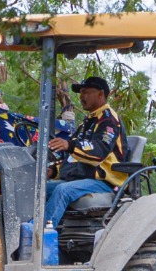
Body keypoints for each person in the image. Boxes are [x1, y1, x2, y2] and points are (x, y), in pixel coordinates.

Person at [43, 76, 128, 229]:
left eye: (86, 92)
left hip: (105, 182)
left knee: (63, 190)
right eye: (81, 93)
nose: (81, 97)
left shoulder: (109, 120)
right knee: (40, 189)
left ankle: (42, 234)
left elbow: (98, 153)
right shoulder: (88, 121)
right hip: (84, 179)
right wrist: (53, 170)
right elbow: (72, 156)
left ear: (101, 94)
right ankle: (29, 228)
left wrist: (69, 145)